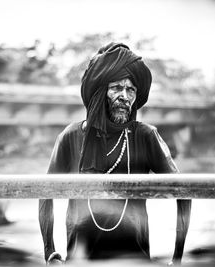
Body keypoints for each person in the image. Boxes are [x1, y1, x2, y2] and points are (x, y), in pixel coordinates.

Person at [39, 43, 191, 264]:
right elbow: (44, 193)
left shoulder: (145, 136)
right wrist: (49, 253)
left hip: (134, 260)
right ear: (100, 93)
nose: (125, 96)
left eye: (131, 90)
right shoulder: (71, 137)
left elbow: (184, 191)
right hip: (80, 260)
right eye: (116, 88)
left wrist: (177, 257)